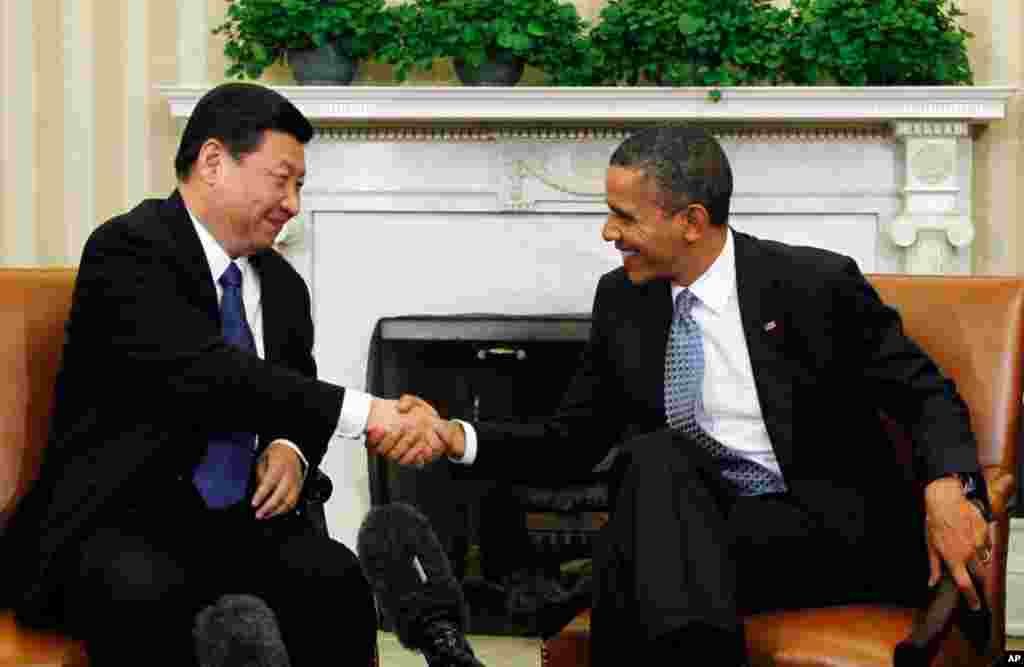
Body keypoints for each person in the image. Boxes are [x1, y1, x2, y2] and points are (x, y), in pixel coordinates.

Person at [368, 125, 993, 666]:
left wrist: (949, 487)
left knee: (639, 535)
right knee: (656, 467)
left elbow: (924, 392)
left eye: (626, 216)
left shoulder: (812, 284)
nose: (609, 232)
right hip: (704, 537)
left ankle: (519, 615)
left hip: (828, 536)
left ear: (691, 221)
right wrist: (456, 435)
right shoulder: (625, 302)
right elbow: (573, 440)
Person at [3, 82, 451, 667]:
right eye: (281, 178)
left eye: (300, 186)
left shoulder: (283, 287)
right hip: (118, 521)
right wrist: (370, 413)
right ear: (214, 161)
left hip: (240, 525)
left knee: (335, 582)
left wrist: (290, 447)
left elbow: (293, 385)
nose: (293, 202)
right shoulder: (129, 248)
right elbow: (209, 372)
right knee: (153, 595)